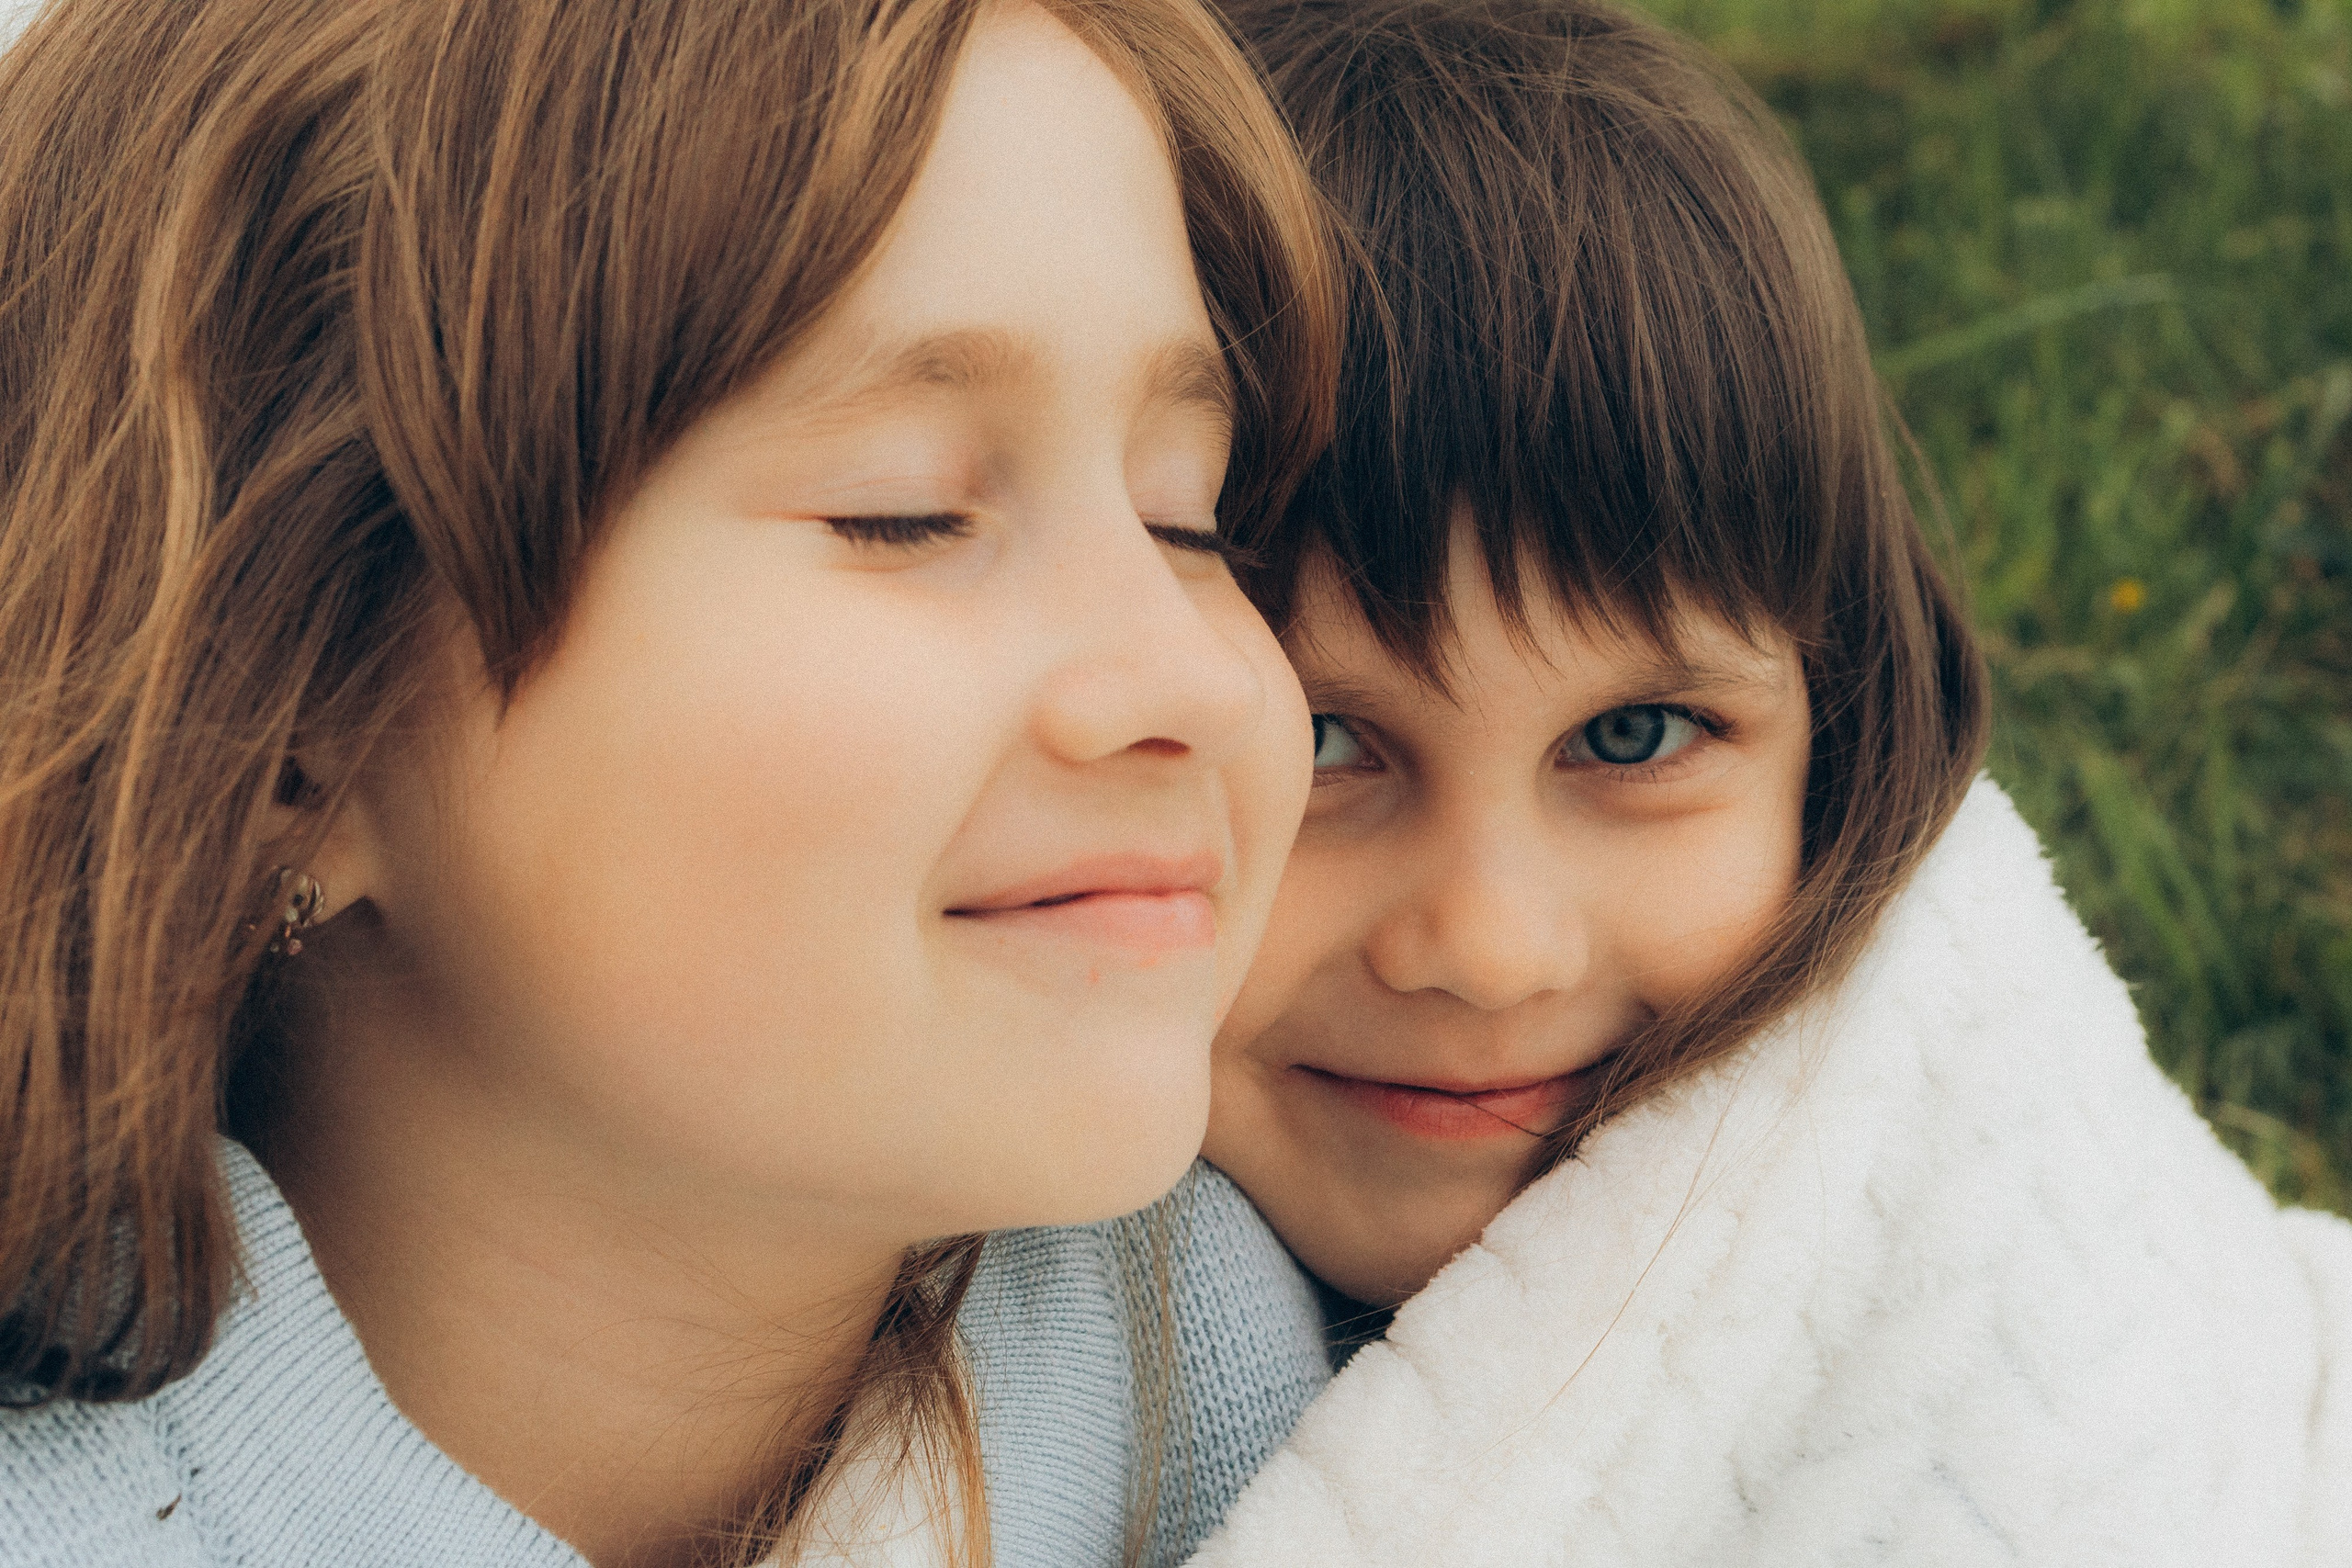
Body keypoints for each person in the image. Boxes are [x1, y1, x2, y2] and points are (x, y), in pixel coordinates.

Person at [0, 2, 1337, 1564]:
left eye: (1193, 517)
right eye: (902, 513)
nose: (1204, 673)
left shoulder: (1233, 1370)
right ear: (288, 730)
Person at [1183, 0, 2352, 1560]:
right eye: (1325, 744)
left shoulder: (1976, 1182)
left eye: (1632, 739)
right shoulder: (969, 1279)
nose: (1485, 948)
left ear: (1843, 726)